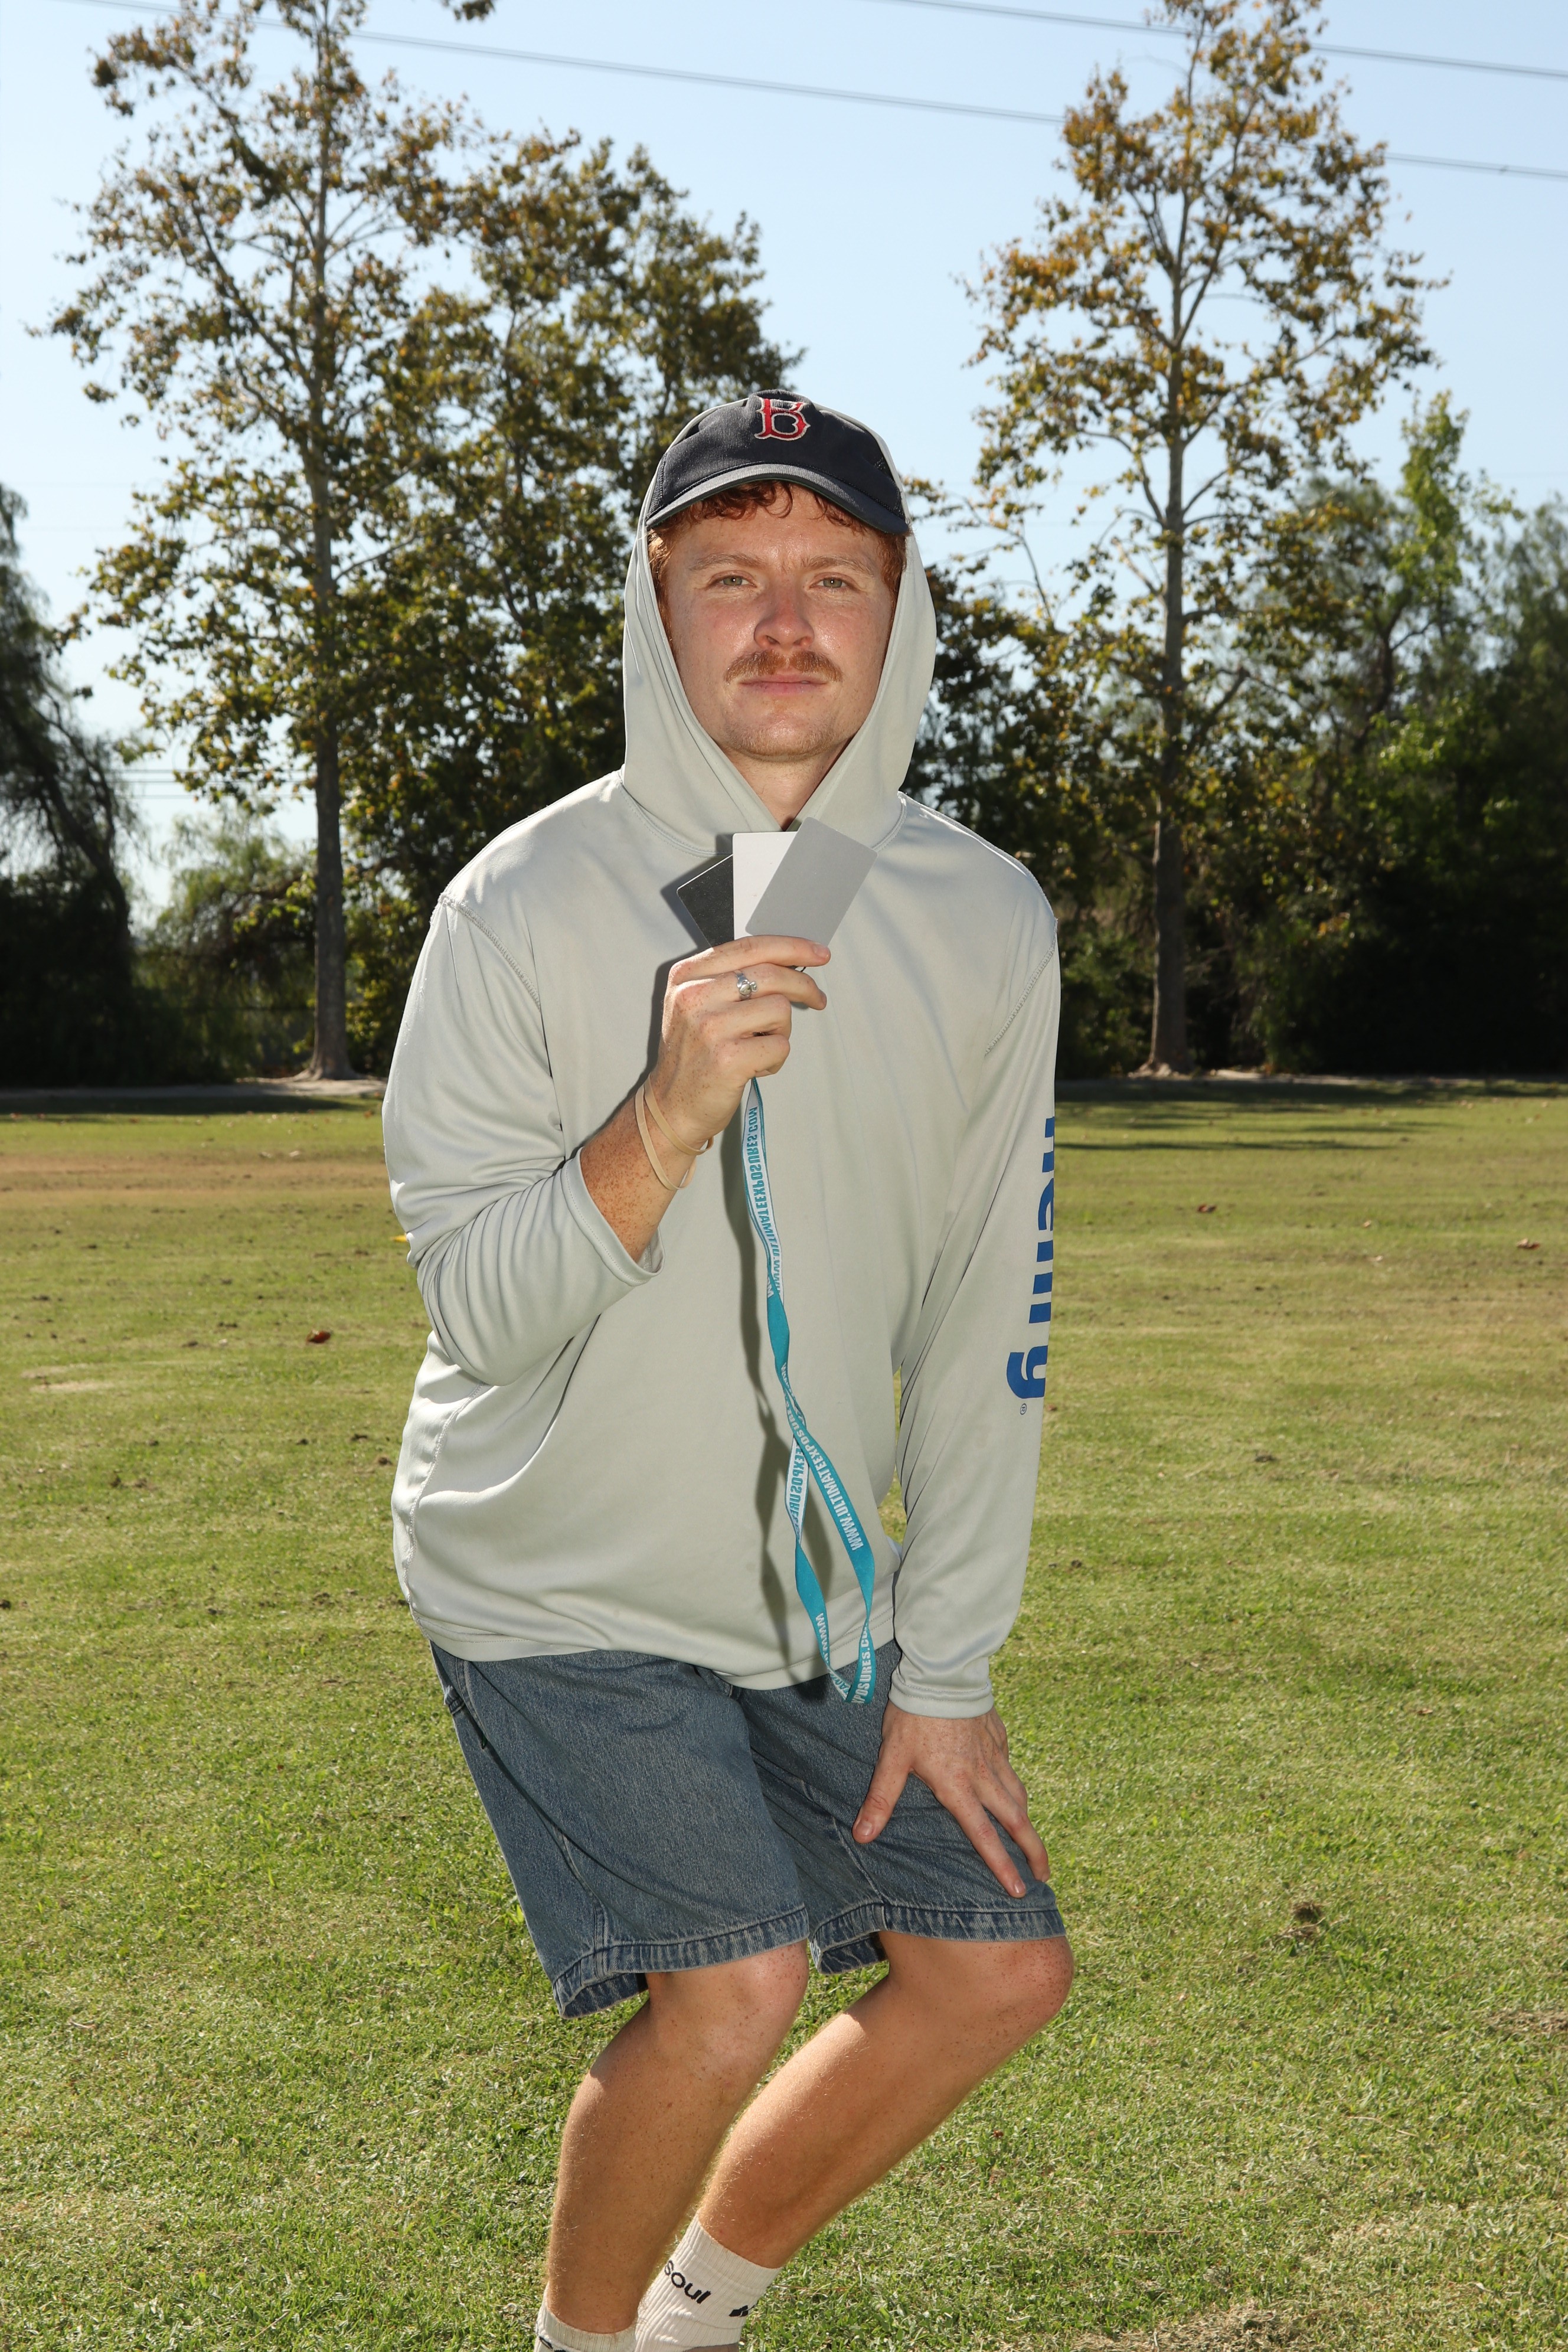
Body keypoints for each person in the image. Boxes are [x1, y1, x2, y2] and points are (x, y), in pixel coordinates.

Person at [382, 391, 1071, 2352]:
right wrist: (666, 1115)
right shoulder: (519, 903)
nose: (784, 625)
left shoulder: (981, 913)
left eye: (833, 578)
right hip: (555, 1572)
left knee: (995, 1971)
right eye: (731, 578)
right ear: (656, 608)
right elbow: (482, 1310)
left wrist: (946, 1667)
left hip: (809, 1598)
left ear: (899, 610)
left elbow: (991, 1322)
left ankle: (693, 2321)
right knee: (739, 1981)